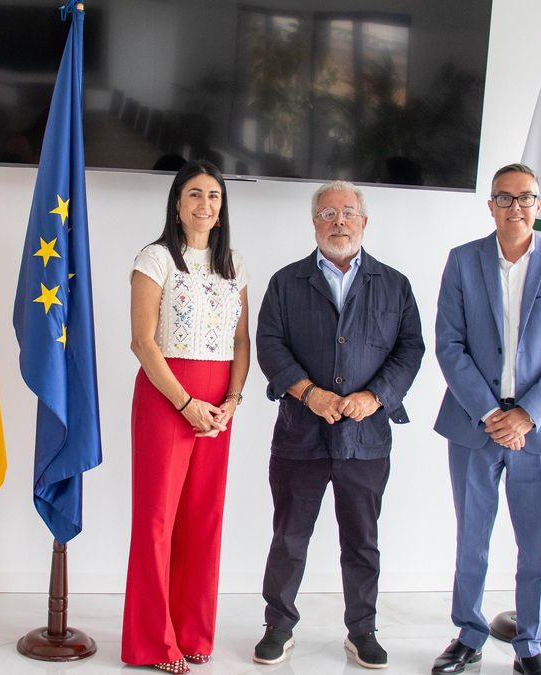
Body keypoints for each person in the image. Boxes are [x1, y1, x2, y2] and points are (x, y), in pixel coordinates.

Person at [253, 180, 424, 669]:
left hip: (366, 439)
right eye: (327, 214)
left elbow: (410, 349)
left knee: (362, 539)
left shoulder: (394, 284)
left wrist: (375, 397)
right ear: (314, 224)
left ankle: (362, 630)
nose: (338, 222)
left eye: (348, 212)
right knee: (289, 536)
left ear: (364, 222)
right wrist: (309, 392)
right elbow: (269, 344)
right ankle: (278, 626)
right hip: (299, 436)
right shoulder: (287, 282)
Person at [430, 163, 541, 675]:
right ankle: (469, 635)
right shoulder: (462, 261)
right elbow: (449, 345)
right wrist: (489, 412)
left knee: (536, 541)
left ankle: (529, 646)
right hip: (473, 427)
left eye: (526, 198)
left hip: (539, 431)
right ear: (491, 205)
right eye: (505, 197)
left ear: (538, 206)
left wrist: (525, 414)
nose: (515, 206)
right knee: (471, 536)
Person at [122, 160, 251, 675]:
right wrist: (185, 403)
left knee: (205, 519)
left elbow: (242, 342)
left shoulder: (235, 265)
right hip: (166, 399)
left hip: (220, 408)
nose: (205, 204)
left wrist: (232, 402)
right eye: (194, 194)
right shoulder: (154, 259)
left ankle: (194, 633)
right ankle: (153, 642)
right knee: (157, 520)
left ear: (221, 210)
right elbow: (142, 342)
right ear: (177, 204)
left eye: (214, 197)